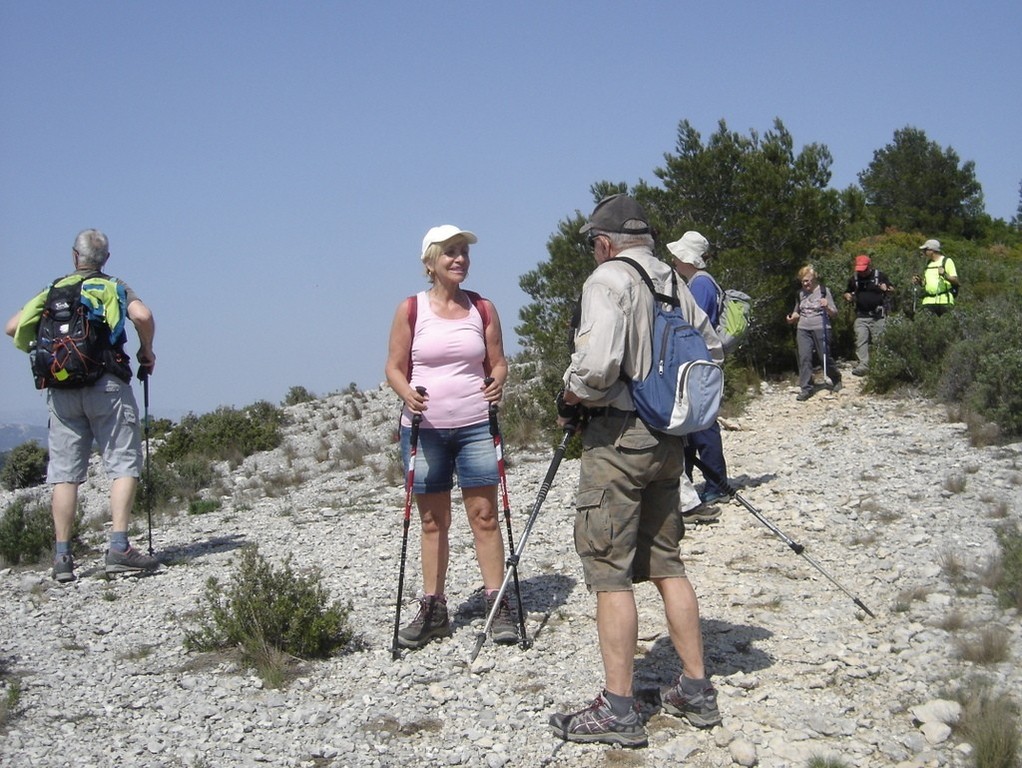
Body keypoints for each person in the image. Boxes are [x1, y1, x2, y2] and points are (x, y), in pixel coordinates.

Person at [549, 195, 723, 748]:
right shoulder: (674, 279)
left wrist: (572, 396)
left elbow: (598, 365)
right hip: (669, 435)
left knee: (609, 570)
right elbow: (712, 349)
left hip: (619, 437)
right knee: (668, 561)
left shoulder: (607, 280)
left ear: (603, 242)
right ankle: (697, 689)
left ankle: (618, 708)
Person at [384, 224, 517, 650]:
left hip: (476, 425)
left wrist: (497, 381)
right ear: (430, 263)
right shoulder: (410, 309)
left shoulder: (483, 309)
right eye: (450, 253)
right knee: (431, 520)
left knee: (484, 516)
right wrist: (406, 392)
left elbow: (498, 362)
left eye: (463, 252)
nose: (459, 260)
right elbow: (393, 365)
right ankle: (434, 608)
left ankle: (496, 604)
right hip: (425, 431)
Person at [5, 229, 159, 582]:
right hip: (106, 384)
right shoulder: (112, 286)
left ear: (75, 256)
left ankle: (62, 558)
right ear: (105, 259)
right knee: (122, 462)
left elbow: (12, 327)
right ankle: (118, 548)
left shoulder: (53, 290)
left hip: (61, 390)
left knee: (64, 474)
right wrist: (146, 351)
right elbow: (143, 315)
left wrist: (46, 349)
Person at [667, 231, 729, 520]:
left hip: (698, 363)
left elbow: (694, 323)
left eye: (678, 256)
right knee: (696, 428)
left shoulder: (700, 285)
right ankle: (700, 484)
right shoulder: (701, 282)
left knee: (703, 428)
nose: (674, 260)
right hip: (700, 364)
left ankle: (716, 484)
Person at [786, 265, 841, 402]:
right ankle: (806, 388)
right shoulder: (800, 294)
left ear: (814, 279)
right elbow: (797, 311)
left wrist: (827, 306)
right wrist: (793, 318)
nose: (805, 284)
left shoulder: (823, 291)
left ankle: (835, 378)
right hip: (803, 328)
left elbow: (834, 313)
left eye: (807, 281)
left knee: (824, 356)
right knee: (805, 357)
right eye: (803, 281)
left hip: (821, 327)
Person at [842, 254, 894, 376]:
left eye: (864, 269)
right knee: (861, 340)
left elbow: (892, 289)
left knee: (880, 341)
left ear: (869, 266)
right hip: (861, 316)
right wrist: (847, 296)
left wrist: (886, 288)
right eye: (860, 270)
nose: (862, 273)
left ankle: (880, 365)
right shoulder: (854, 279)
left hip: (878, 316)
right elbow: (847, 291)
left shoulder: (879, 276)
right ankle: (863, 365)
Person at [912, 239, 958, 315]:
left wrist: (944, 275)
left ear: (932, 250)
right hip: (928, 301)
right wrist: (919, 281)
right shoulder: (928, 264)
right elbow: (925, 284)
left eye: (925, 250)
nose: (923, 252)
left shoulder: (947, 261)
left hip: (944, 301)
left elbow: (955, 281)